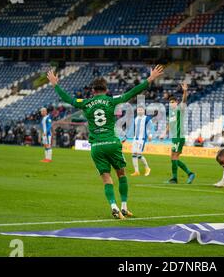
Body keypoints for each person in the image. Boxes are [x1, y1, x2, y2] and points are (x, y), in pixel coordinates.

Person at [47, 65, 164, 219]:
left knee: (106, 178)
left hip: (96, 146)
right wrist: (150, 78)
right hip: (112, 143)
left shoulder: (86, 102)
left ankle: (113, 206)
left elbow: (68, 99)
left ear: (93, 91)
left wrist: (55, 84)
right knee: (121, 175)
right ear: (106, 89)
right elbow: (132, 93)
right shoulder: (111, 100)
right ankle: (123, 207)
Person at [162, 83, 196, 184]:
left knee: (174, 157)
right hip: (174, 138)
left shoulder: (179, 109)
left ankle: (180, 176)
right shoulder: (171, 113)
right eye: (170, 102)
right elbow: (169, 124)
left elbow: (184, 100)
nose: (171, 104)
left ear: (176, 102)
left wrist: (185, 91)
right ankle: (181, 176)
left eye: (173, 102)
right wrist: (164, 133)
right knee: (173, 157)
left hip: (179, 136)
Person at [130, 105, 153, 177]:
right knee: (133, 154)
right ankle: (136, 171)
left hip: (142, 139)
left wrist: (150, 135)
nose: (139, 111)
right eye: (138, 110)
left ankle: (147, 168)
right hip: (135, 139)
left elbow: (151, 127)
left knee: (139, 154)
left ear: (144, 111)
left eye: (141, 110)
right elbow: (133, 128)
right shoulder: (136, 118)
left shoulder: (147, 118)